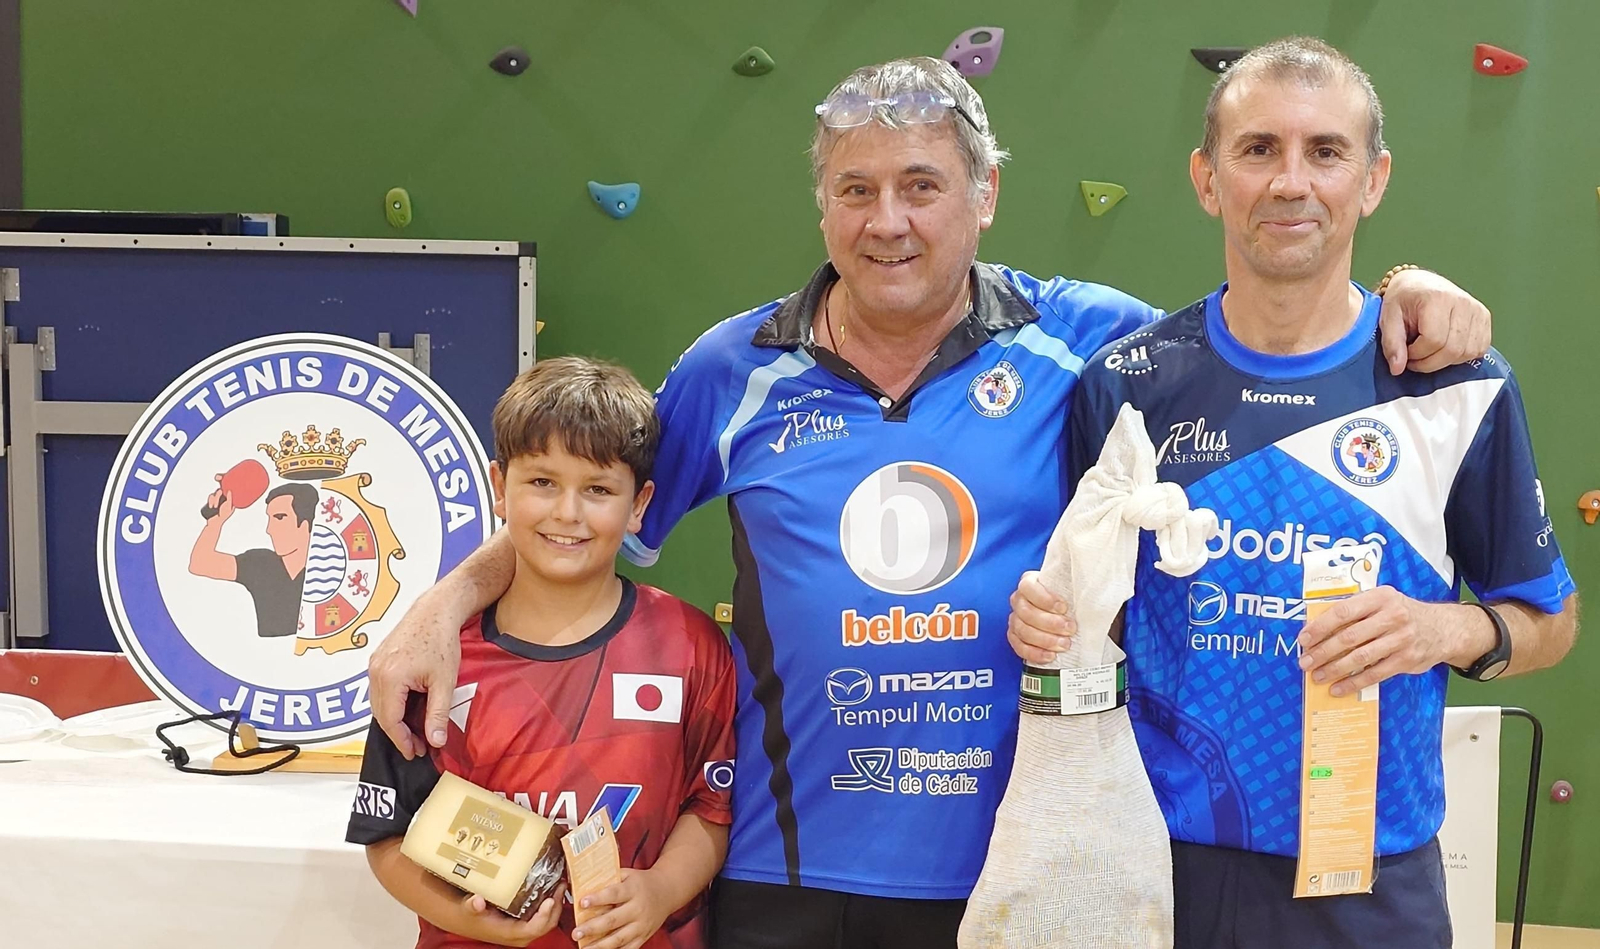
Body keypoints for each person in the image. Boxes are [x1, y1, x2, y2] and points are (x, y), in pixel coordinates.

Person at [369, 56, 1496, 949]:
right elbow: (580, 515)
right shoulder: (732, 369)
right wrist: (442, 604)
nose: (887, 220)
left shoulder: (1092, 340)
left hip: (1011, 873)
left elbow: (1267, 327)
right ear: (822, 207)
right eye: (855, 189)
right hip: (781, 874)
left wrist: (1406, 286)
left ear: (984, 194)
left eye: (921, 185)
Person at [1006, 37, 1579, 949]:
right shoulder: (1128, 384)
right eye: (1258, 149)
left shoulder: (1454, 386)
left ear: (1373, 178)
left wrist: (1444, 628)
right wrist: (1051, 620)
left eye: (1326, 151)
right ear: (1207, 179)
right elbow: (1094, 620)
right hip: (1159, 860)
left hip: (1372, 878)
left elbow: (1551, 620)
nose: (1290, 182)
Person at [346, 357, 736, 949]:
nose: (567, 513)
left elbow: (710, 811)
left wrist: (658, 891)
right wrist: (468, 920)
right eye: (542, 482)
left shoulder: (689, 646)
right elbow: (388, 836)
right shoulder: (437, 658)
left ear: (639, 504)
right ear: (500, 487)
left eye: (599, 489)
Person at [188, 479, 317, 638]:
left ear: (305, 525)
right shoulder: (260, 564)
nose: (269, 529)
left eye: (279, 518)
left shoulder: (331, 567)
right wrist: (215, 522)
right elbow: (200, 563)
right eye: (269, 519)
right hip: (265, 656)